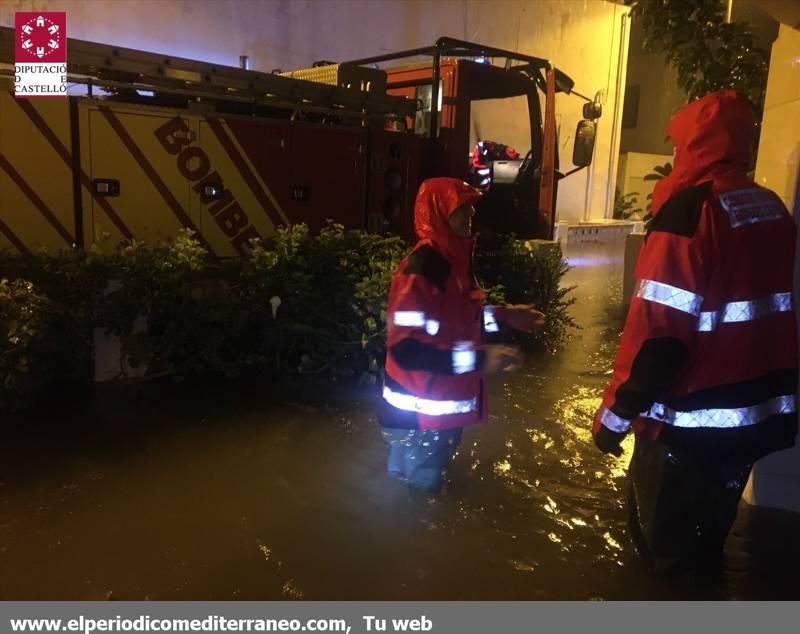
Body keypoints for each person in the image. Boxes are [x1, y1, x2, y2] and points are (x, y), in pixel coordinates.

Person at [592, 90, 798, 573]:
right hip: (754, 423)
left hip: (687, 433)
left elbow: (658, 336)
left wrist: (614, 421)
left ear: (697, 145)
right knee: (707, 549)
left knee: (664, 559)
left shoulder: (690, 213)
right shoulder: (771, 208)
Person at [378, 177, 544, 491]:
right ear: (438, 212)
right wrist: (481, 358)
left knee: (415, 494)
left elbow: (460, 321)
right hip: (417, 421)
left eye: (471, 209)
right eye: (460, 209)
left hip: (433, 418)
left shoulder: (452, 263)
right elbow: (407, 349)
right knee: (416, 505)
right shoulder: (423, 269)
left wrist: (508, 317)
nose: (469, 217)